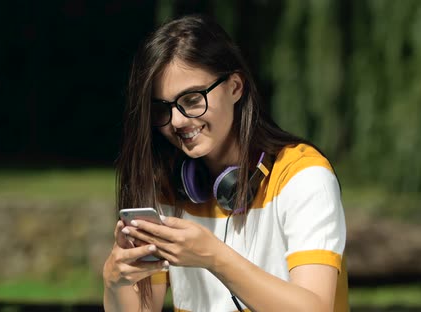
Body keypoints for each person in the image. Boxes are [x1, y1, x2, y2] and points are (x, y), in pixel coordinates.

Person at [103, 14, 347, 312]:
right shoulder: (167, 188)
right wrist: (116, 280)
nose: (178, 121)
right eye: (163, 109)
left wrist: (214, 257)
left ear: (235, 87)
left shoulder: (303, 177)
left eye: (192, 100)